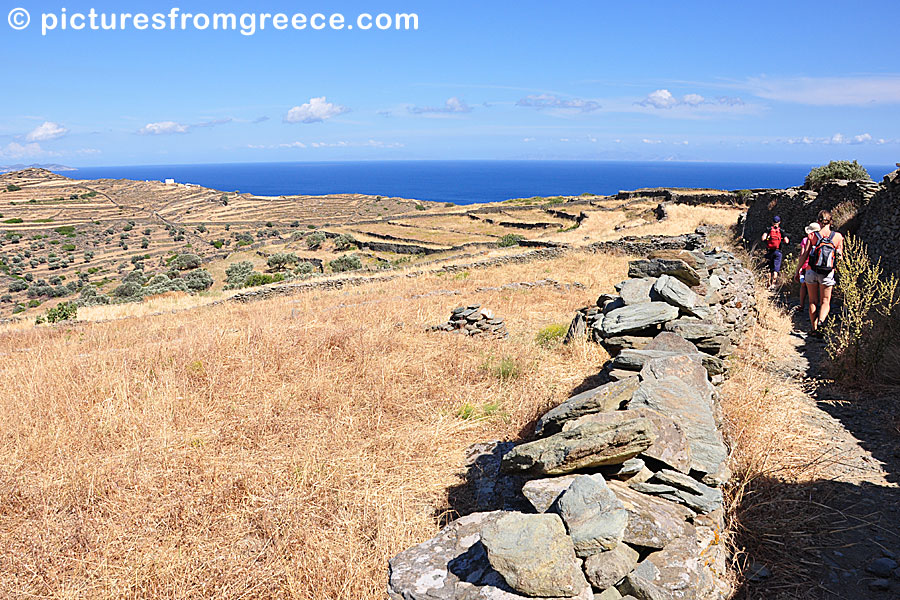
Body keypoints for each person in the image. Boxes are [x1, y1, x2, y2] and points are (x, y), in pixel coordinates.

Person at [794, 210, 843, 337]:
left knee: (813, 301)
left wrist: (798, 270)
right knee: (826, 301)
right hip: (827, 273)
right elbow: (840, 257)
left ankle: (814, 328)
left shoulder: (812, 236)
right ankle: (821, 322)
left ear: (818, 221)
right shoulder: (838, 237)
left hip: (811, 271)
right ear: (831, 222)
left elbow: (805, 255)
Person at [797, 222, 821, 310]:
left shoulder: (806, 240)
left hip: (806, 265)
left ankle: (802, 305)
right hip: (818, 265)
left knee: (803, 286)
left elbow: (803, 253)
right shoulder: (823, 239)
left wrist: (799, 267)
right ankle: (818, 305)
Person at [761, 215, 789, 288]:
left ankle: (768, 284)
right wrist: (781, 239)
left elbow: (763, 238)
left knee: (769, 268)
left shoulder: (769, 229)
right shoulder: (781, 231)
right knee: (775, 269)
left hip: (769, 251)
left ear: (772, 222)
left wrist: (768, 239)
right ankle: (773, 284)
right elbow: (787, 241)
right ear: (779, 222)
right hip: (778, 251)